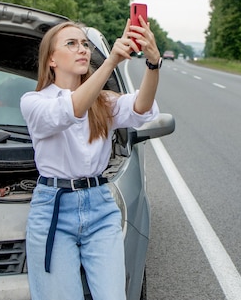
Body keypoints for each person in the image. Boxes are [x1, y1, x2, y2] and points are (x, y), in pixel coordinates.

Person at [20, 16, 161, 300]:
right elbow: (70, 111)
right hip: (53, 210)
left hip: (100, 205)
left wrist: (153, 64)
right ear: (51, 60)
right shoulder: (34, 102)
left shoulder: (103, 102)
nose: (82, 49)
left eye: (85, 44)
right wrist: (110, 62)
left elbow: (141, 108)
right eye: (71, 44)